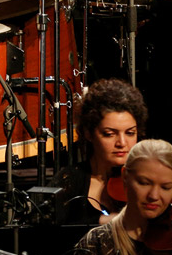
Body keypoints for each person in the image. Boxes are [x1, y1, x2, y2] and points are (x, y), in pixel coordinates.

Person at [55, 78, 148, 223]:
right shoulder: (70, 181)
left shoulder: (145, 178)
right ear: (88, 133)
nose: (122, 143)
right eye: (109, 134)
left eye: (130, 133)